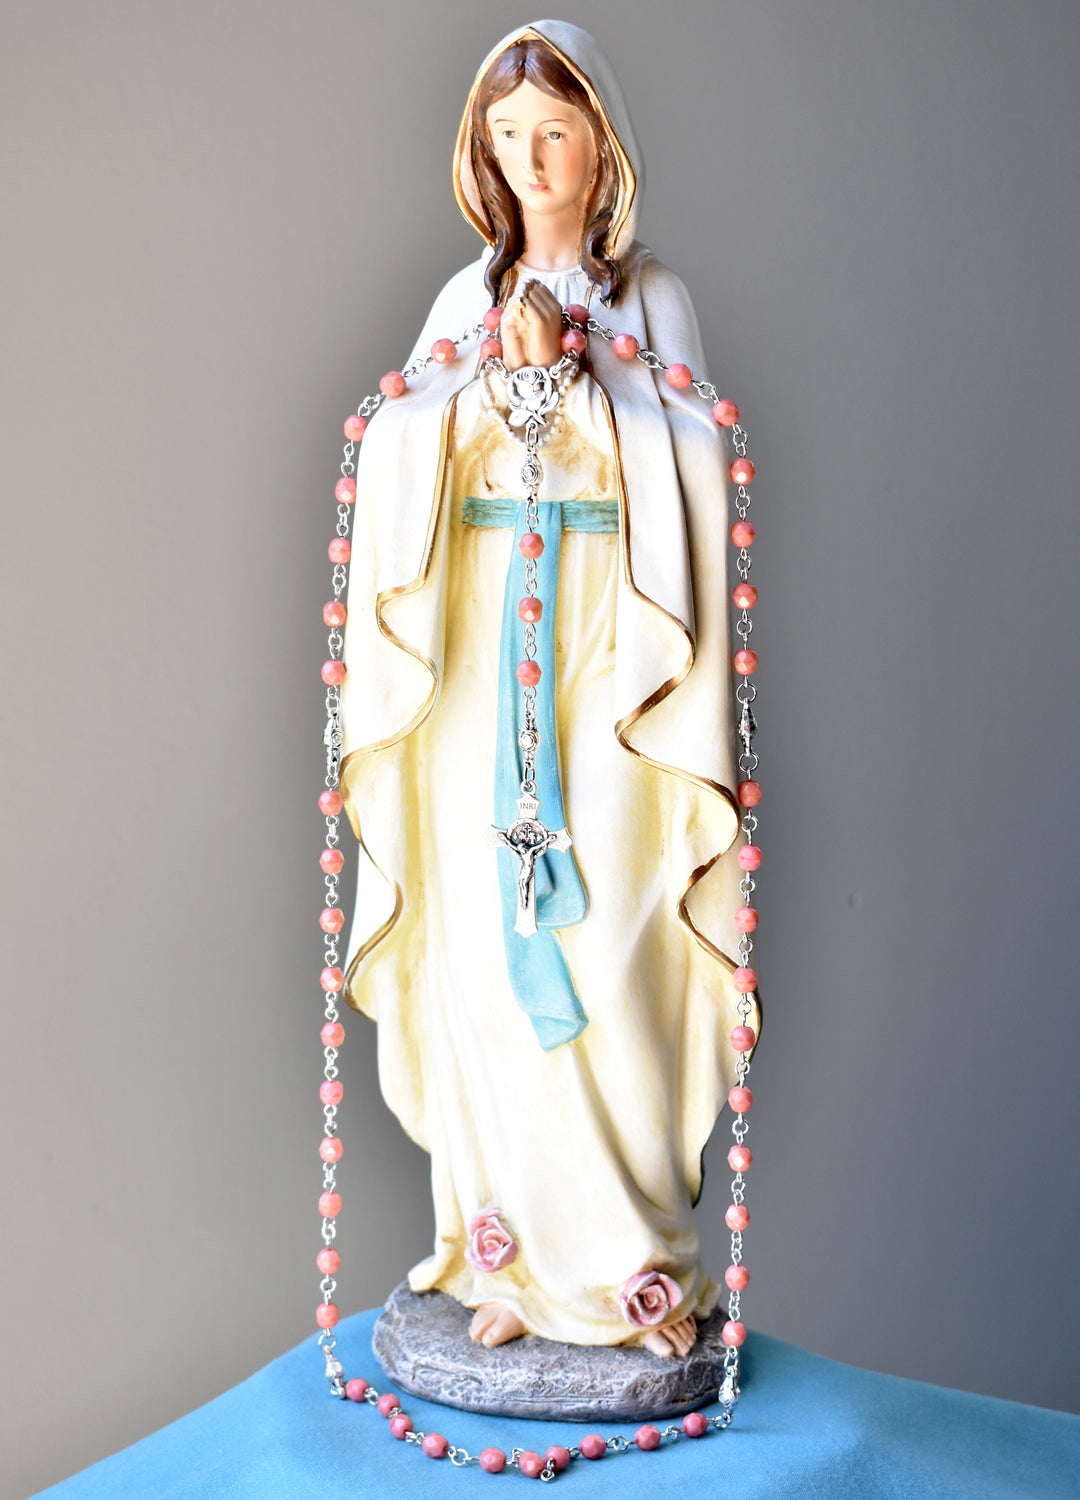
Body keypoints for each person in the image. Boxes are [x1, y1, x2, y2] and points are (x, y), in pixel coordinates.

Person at [339, 19, 757, 1360]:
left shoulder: (652, 300)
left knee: (611, 930)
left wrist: (576, 378)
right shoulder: (462, 303)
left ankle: (630, 1259)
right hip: (481, 647)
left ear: (601, 147)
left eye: (556, 135)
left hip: (609, 658)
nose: (532, 162)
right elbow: (393, 439)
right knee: (483, 934)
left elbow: (700, 453)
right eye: (509, 137)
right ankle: (506, 1253)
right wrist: (485, 390)